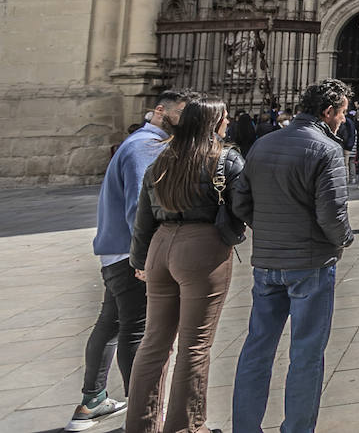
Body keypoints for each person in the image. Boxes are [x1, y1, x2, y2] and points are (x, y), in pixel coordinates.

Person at [232, 79, 355, 433]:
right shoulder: (327, 148)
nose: (343, 120)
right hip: (310, 265)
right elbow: (331, 215)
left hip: (267, 263)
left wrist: (269, 230)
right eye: (342, 113)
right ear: (328, 112)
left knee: (257, 347)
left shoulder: (262, 143)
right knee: (306, 354)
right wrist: (344, 239)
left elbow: (240, 201)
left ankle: (245, 427)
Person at [71, 90, 192, 433]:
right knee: (137, 331)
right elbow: (139, 207)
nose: (184, 122)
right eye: (180, 115)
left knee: (110, 325)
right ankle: (142, 414)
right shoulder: (145, 146)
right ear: (159, 111)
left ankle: (92, 400)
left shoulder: (139, 141)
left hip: (116, 252)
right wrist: (145, 257)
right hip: (131, 254)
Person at [125, 97, 248, 433]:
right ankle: (186, 426)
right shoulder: (225, 160)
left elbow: (143, 218)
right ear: (213, 123)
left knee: (154, 342)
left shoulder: (162, 160)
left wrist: (139, 261)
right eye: (225, 117)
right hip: (201, 250)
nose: (229, 122)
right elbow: (245, 210)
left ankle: (141, 424)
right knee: (195, 344)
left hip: (160, 248)